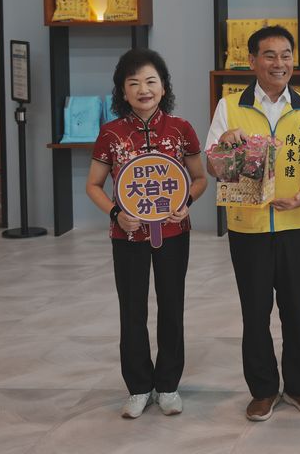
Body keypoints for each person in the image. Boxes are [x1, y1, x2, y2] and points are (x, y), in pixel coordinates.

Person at [205, 25, 300, 422]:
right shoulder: (229, 106)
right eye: (270, 55)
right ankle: (262, 389)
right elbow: (212, 164)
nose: (280, 63)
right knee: (255, 311)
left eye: (286, 55)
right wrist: (225, 143)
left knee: (295, 309)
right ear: (253, 60)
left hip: (295, 224)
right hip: (248, 227)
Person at [85, 48, 208, 419]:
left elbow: (199, 178)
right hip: (128, 237)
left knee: (172, 306)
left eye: (151, 81)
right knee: (132, 310)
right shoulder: (111, 133)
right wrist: (117, 213)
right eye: (134, 82)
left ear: (163, 86)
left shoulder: (181, 129)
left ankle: (168, 385)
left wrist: (187, 201)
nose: (143, 89)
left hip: (174, 233)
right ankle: (138, 387)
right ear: (122, 91)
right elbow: (93, 185)